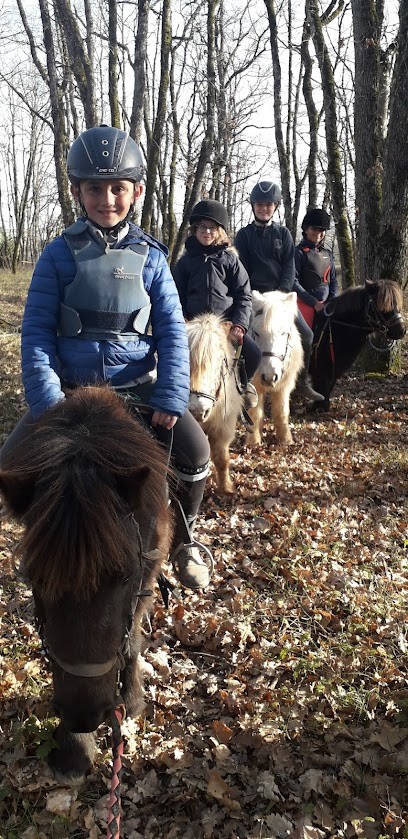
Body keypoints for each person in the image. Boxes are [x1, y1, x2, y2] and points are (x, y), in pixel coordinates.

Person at [0, 125, 213, 590]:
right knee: (12, 460)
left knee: (197, 453)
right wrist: (47, 400)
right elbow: (35, 331)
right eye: (95, 188)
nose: (107, 198)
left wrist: (172, 393)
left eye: (118, 188)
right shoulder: (57, 254)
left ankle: (185, 542)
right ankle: (44, 543)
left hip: (136, 386)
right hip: (72, 391)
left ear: (135, 192)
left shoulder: (154, 258)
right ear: (78, 191)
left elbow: (173, 330)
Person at [235, 179, 324, 402]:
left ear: (275, 206)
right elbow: (242, 269)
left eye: (268, 204)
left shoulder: (283, 234)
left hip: (281, 297)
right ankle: (241, 385)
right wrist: (254, 296)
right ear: (253, 206)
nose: (264, 209)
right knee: (240, 339)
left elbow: (289, 268)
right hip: (254, 298)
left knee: (306, 335)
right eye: (260, 204)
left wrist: (282, 296)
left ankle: (301, 382)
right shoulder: (244, 235)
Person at [173, 199, 261, 407]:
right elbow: (175, 294)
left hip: (225, 325)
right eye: (202, 227)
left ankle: (243, 385)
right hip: (194, 326)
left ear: (219, 231)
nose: (207, 232)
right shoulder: (185, 262)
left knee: (254, 353)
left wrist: (240, 324)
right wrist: (181, 319)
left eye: (212, 228)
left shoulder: (230, 260)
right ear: (194, 230)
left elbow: (243, 294)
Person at [294, 207, 338, 329]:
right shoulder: (298, 253)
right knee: (309, 337)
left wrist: (332, 301)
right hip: (305, 303)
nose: (318, 233)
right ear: (306, 229)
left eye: (322, 230)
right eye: (314, 229)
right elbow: (294, 282)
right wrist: (314, 303)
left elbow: (333, 280)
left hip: (327, 304)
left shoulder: (328, 253)